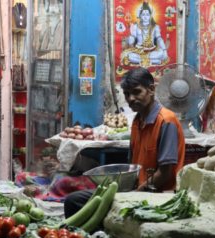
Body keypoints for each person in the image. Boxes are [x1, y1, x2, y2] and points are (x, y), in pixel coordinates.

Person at [64, 68, 185, 218]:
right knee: (74, 200)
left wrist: (135, 193)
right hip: (136, 190)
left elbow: (165, 173)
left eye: (136, 92)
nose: (131, 98)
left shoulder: (166, 121)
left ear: (151, 90)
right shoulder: (136, 121)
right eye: (127, 94)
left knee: (88, 207)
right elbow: (132, 166)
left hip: (156, 195)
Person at [120, 1, 169, 67]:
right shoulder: (136, 26)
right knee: (127, 55)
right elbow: (129, 42)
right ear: (140, 16)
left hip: (151, 50)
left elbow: (159, 39)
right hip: (139, 50)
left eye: (147, 15)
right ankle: (154, 61)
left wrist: (164, 50)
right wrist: (132, 33)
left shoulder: (155, 27)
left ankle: (142, 61)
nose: (145, 17)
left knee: (161, 53)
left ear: (150, 16)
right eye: (143, 15)